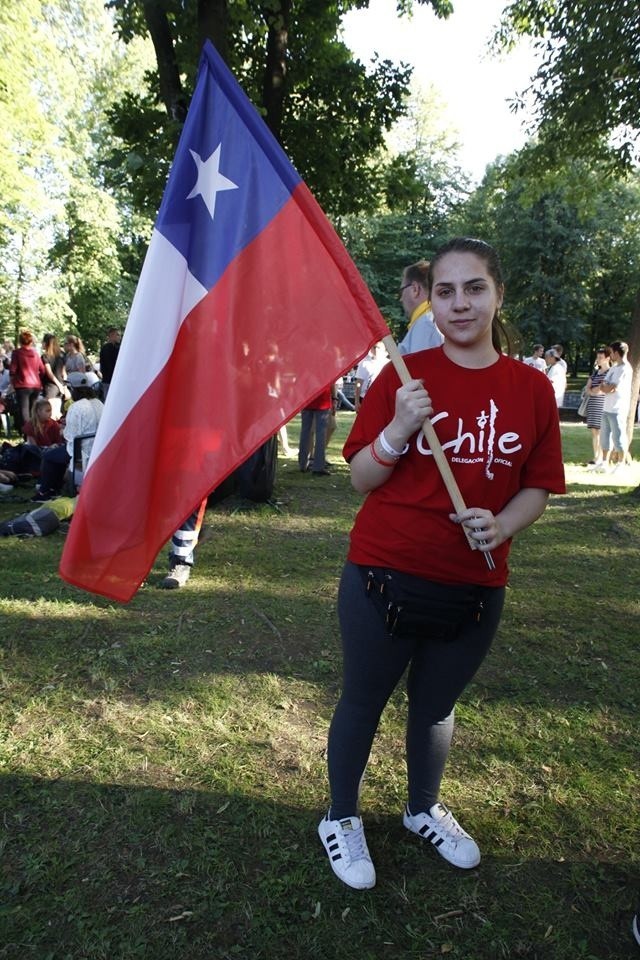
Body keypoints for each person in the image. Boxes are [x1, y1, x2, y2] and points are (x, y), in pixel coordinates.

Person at [317, 237, 565, 891]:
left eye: (473, 288)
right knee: (364, 701)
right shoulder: (402, 376)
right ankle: (340, 818)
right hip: (382, 573)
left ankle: (422, 808)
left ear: (497, 294)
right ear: (432, 299)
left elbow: (537, 485)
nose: (459, 303)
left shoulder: (532, 388)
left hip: (478, 584)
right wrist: (397, 429)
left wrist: (503, 521)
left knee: (435, 709)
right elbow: (361, 479)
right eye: (445, 290)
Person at [34, 374, 103, 501]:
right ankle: (54, 488)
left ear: (72, 389)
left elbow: (69, 436)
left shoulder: (76, 406)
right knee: (57, 453)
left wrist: (63, 428)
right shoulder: (99, 403)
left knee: (49, 456)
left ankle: (45, 492)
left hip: (81, 452)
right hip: (98, 448)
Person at [597, 340, 633, 471]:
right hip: (607, 406)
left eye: (611, 352)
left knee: (618, 436)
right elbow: (603, 384)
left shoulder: (625, 369)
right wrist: (605, 387)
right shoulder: (614, 367)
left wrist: (605, 387)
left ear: (616, 353)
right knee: (605, 436)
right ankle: (604, 462)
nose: (610, 355)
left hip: (617, 408)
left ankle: (620, 464)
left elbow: (611, 388)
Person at [397, 260, 444, 355]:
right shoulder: (435, 321)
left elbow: (421, 369)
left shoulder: (426, 325)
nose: (401, 299)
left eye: (401, 291)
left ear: (415, 289)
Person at [9, 330, 45, 434]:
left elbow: (13, 370)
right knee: (33, 410)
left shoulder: (17, 353)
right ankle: (36, 431)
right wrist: (38, 379)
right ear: (31, 341)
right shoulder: (35, 354)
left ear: (20, 341)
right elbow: (42, 370)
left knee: (24, 411)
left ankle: (27, 433)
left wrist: (12, 383)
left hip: (22, 385)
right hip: (36, 385)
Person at [298, 383, 337, 476]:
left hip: (307, 397)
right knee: (321, 434)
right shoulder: (326, 368)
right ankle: (318, 466)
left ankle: (302, 464)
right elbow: (332, 382)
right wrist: (334, 398)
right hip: (322, 399)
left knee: (305, 432)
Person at [584, 347, 611, 467]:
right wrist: (593, 390)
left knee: (601, 431)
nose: (598, 359)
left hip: (603, 404)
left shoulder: (609, 373)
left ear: (607, 358)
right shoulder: (595, 372)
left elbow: (602, 389)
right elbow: (588, 388)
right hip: (593, 404)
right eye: (598, 357)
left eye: (601, 357)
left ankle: (602, 457)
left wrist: (595, 390)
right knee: (594, 431)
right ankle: (596, 456)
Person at [354, 342, 388, 411]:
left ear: (384, 350)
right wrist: (357, 401)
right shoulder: (364, 363)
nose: (376, 350)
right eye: (374, 347)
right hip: (365, 397)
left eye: (378, 348)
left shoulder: (389, 363)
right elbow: (358, 383)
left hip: (382, 398)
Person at [40, 334, 67, 419]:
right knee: (58, 412)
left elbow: (50, 373)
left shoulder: (45, 356)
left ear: (46, 343)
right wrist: (63, 386)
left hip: (50, 387)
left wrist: (58, 384)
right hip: (61, 386)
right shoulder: (61, 355)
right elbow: (64, 373)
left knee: (51, 413)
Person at [98, 327, 121, 401]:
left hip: (108, 379)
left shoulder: (114, 348)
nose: (119, 337)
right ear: (112, 335)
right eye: (117, 335)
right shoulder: (108, 349)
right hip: (110, 380)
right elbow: (109, 365)